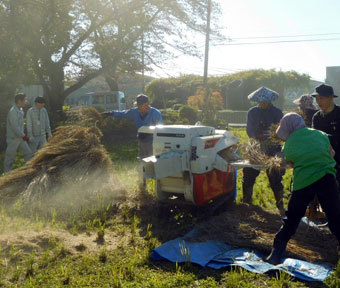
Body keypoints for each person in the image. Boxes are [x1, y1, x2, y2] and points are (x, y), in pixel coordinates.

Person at [266, 112, 340, 265]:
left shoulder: (290, 143)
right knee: (334, 216)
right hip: (327, 178)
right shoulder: (320, 134)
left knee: (292, 218)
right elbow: (331, 154)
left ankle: (276, 253)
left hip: (304, 183)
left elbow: (292, 162)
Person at [102, 94, 163, 188]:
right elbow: (123, 113)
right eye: (138, 104)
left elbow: (160, 129)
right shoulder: (134, 112)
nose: (140, 107)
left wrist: (148, 132)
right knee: (141, 163)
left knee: (155, 164)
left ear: (147, 104)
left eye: (142, 104)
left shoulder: (155, 113)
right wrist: (110, 113)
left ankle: (158, 187)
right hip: (142, 142)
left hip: (154, 143)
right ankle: (142, 187)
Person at [242, 87, 285, 215]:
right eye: (260, 102)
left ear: (270, 101)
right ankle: (246, 203)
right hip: (256, 147)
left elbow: (281, 130)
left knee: (275, 176)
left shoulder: (277, 112)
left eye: (264, 102)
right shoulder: (252, 112)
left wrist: (271, 136)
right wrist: (256, 136)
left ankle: (280, 206)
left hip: (273, 147)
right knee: (248, 173)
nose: (262, 104)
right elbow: (249, 130)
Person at [311, 83, 340, 184]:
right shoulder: (317, 117)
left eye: (321, 98)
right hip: (324, 161)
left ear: (331, 98)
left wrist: (325, 137)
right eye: (317, 99)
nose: (318, 102)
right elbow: (315, 138)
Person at [3, 93, 33, 173]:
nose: (25, 102)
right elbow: (15, 127)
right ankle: (6, 175)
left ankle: (28, 171)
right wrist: (24, 136)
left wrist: (22, 136)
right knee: (10, 158)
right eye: (24, 100)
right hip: (13, 139)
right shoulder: (13, 111)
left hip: (20, 138)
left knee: (29, 154)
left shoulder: (20, 110)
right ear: (19, 101)